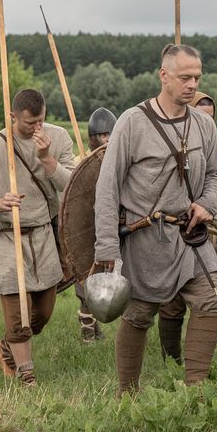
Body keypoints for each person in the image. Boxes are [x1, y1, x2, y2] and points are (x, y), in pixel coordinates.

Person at [93, 44, 217, 395]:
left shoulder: (203, 125)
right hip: (143, 237)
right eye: (185, 77)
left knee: (212, 298)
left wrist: (207, 203)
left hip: (188, 234)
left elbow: (216, 174)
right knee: (138, 314)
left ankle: (195, 392)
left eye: (197, 77)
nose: (192, 84)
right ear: (163, 75)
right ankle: (127, 394)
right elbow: (107, 187)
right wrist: (107, 249)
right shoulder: (132, 122)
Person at [0, 89, 75, 385]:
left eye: (40, 120)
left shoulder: (58, 137)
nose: (37, 128)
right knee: (18, 317)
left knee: (41, 313)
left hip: (43, 235)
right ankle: (26, 374)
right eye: (30, 123)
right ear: (14, 116)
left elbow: (72, 184)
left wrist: (47, 159)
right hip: (6, 236)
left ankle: (5, 348)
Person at [158, 90, 217, 359]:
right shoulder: (173, 145)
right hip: (179, 234)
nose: (207, 123)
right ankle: (170, 359)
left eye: (212, 117)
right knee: (172, 304)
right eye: (201, 116)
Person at [74, 106, 118, 343]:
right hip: (86, 229)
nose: (108, 140)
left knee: (109, 277)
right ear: (93, 137)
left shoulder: (120, 162)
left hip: (111, 229)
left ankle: (97, 321)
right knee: (86, 277)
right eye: (103, 135)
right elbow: (72, 204)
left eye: (111, 134)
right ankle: (87, 327)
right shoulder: (79, 162)